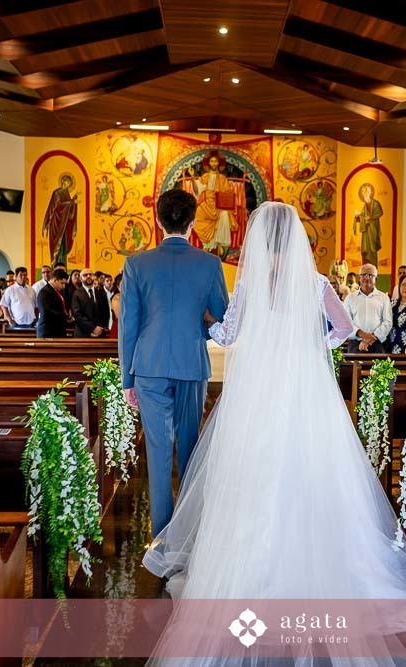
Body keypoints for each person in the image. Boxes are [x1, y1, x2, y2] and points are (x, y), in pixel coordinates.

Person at [142, 201, 406, 632]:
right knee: (307, 467)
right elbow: (345, 330)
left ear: (261, 239)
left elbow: (228, 332)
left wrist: (206, 325)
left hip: (258, 390)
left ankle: (250, 569)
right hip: (302, 388)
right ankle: (312, 561)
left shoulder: (251, 284)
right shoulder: (314, 283)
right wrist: (314, 346)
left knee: (254, 470)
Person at [120, 189, 229, 536]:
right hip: (191, 364)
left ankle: (161, 536)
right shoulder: (210, 264)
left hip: (148, 366)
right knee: (189, 446)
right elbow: (224, 318)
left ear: (158, 220)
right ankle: (187, 531)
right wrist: (199, 331)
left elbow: (128, 327)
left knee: (157, 450)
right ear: (194, 223)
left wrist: (127, 380)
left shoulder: (136, 264)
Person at [184, 151, 238, 256]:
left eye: (215, 161)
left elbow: (228, 194)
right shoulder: (205, 177)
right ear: (209, 163)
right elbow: (197, 190)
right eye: (212, 161)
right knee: (196, 217)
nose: (213, 163)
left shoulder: (222, 179)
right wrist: (192, 176)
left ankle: (220, 246)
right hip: (207, 204)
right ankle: (208, 246)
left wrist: (219, 195)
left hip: (219, 205)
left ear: (219, 163)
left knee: (224, 216)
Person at [343, 263, 392, 353]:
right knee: (353, 366)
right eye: (364, 275)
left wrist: (371, 338)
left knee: (378, 367)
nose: (367, 278)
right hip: (355, 343)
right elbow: (346, 322)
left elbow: (388, 322)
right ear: (359, 278)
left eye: (370, 275)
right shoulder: (350, 298)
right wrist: (362, 334)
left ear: (376, 279)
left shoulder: (383, 298)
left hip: (377, 343)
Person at [42, 174, 78, 267]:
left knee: (63, 246)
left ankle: (63, 265)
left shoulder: (66, 193)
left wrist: (73, 203)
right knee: (57, 245)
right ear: (62, 182)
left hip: (64, 225)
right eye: (66, 182)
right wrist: (71, 202)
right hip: (56, 223)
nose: (67, 185)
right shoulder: (57, 193)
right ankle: (56, 266)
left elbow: (70, 215)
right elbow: (55, 207)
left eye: (69, 184)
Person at [71, 267, 109, 338]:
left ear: (94, 277)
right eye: (85, 275)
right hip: (83, 334)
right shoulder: (76, 294)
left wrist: (100, 328)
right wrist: (93, 328)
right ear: (81, 278)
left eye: (90, 274)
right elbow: (77, 315)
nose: (88, 276)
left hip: (100, 334)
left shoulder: (101, 294)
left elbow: (106, 313)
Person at [353, 182, 383, 267]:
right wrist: (357, 217)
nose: (365, 193)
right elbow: (362, 218)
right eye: (363, 192)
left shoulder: (376, 204)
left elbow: (379, 213)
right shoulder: (364, 206)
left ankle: (373, 270)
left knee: (372, 251)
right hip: (365, 234)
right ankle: (365, 269)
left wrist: (369, 218)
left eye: (366, 191)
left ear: (370, 192)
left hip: (373, 231)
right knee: (365, 252)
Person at [36, 268, 69, 338]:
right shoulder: (44, 292)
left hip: (56, 330)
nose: (63, 286)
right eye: (62, 283)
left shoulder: (55, 291)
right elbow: (46, 312)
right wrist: (64, 316)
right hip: (48, 331)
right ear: (54, 280)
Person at [109, 272, 122, 338]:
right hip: (119, 329)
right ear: (118, 287)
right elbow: (119, 315)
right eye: (123, 286)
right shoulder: (116, 298)